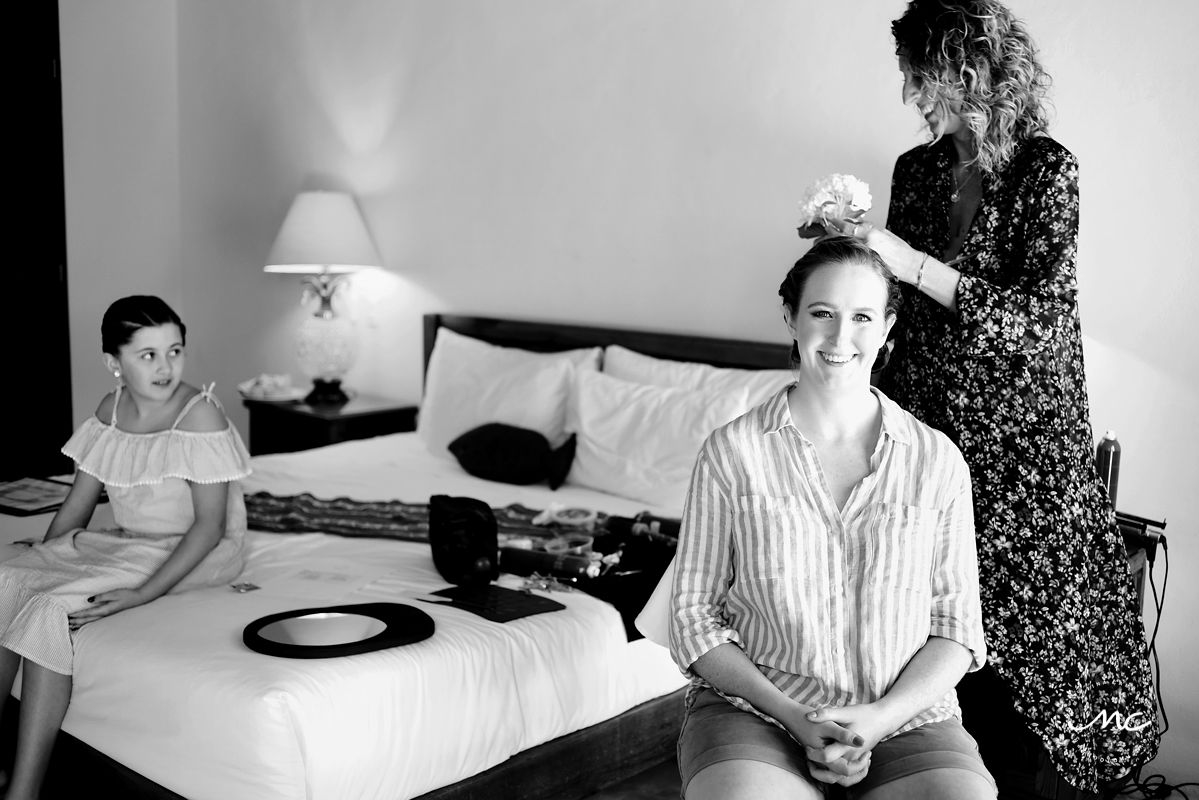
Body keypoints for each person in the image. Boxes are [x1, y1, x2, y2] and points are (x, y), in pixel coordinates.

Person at [835, 0, 1158, 792]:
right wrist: (857, 275)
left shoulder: (1046, 170)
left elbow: (1035, 322)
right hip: (926, 430)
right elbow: (899, 312)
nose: (915, 99)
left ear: (973, 68)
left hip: (1022, 451)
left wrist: (908, 262)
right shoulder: (915, 171)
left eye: (926, 78)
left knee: (1017, 655)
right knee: (930, 628)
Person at [670, 236, 995, 800]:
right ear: (791, 318)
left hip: (905, 717)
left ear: (888, 327)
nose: (841, 337)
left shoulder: (936, 459)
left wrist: (877, 719)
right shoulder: (731, 453)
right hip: (759, 710)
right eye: (822, 313)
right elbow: (693, 618)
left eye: (862, 317)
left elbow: (958, 628)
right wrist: (796, 717)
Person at [0, 295, 250, 800]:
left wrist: (142, 596)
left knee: (49, 608)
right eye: (148, 354)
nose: (166, 367)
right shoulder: (109, 412)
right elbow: (78, 505)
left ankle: (22, 792)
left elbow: (208, 527)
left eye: (175, 351)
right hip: (130, 542)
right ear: (114, 363)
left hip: (196, 550)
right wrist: (48, 558)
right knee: (7, 580)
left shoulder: (198, 415)